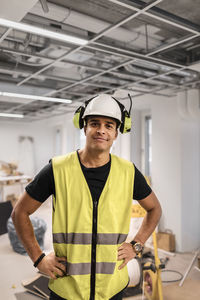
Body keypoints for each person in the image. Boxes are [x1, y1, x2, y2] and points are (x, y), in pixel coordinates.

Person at [12, 94, 162, 300]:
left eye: (109, 125)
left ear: (116, 133)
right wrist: (39, 259)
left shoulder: (128, 172)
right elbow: (20, 212)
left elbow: (155, 209)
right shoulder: (57, 169)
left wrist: (136, 245)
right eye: (94, 123)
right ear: (84, 128)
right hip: (67, 288)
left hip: (112, 287)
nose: (101, 130)